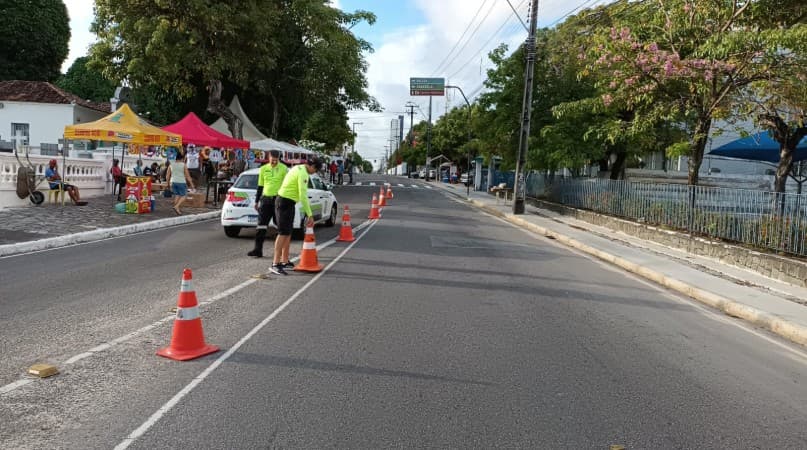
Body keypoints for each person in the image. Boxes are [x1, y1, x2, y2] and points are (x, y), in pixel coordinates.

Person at [270, 155, 322, 275]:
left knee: (288, 232)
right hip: (284, 202)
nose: (315, 173)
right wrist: (310, 214)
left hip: (288, 202)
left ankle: (284, 260)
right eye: (316, 170)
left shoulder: (298, 167)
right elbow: (303, 195)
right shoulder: (303, 174)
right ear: (312, 166)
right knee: (282, 233)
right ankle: (275, 263)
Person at [247, 150, 288, 258]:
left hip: (278, 200)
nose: (274, 162)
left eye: (276, 160)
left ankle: (282, 251)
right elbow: (260, 186)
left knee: (280, 225)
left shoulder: (284, 168)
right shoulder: (263, 169)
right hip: (265, 200)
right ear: (268, 158)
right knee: (261, 225)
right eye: (272, 160)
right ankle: (257, 250)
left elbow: (286, 185)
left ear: (279, 159)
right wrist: (256, 201)